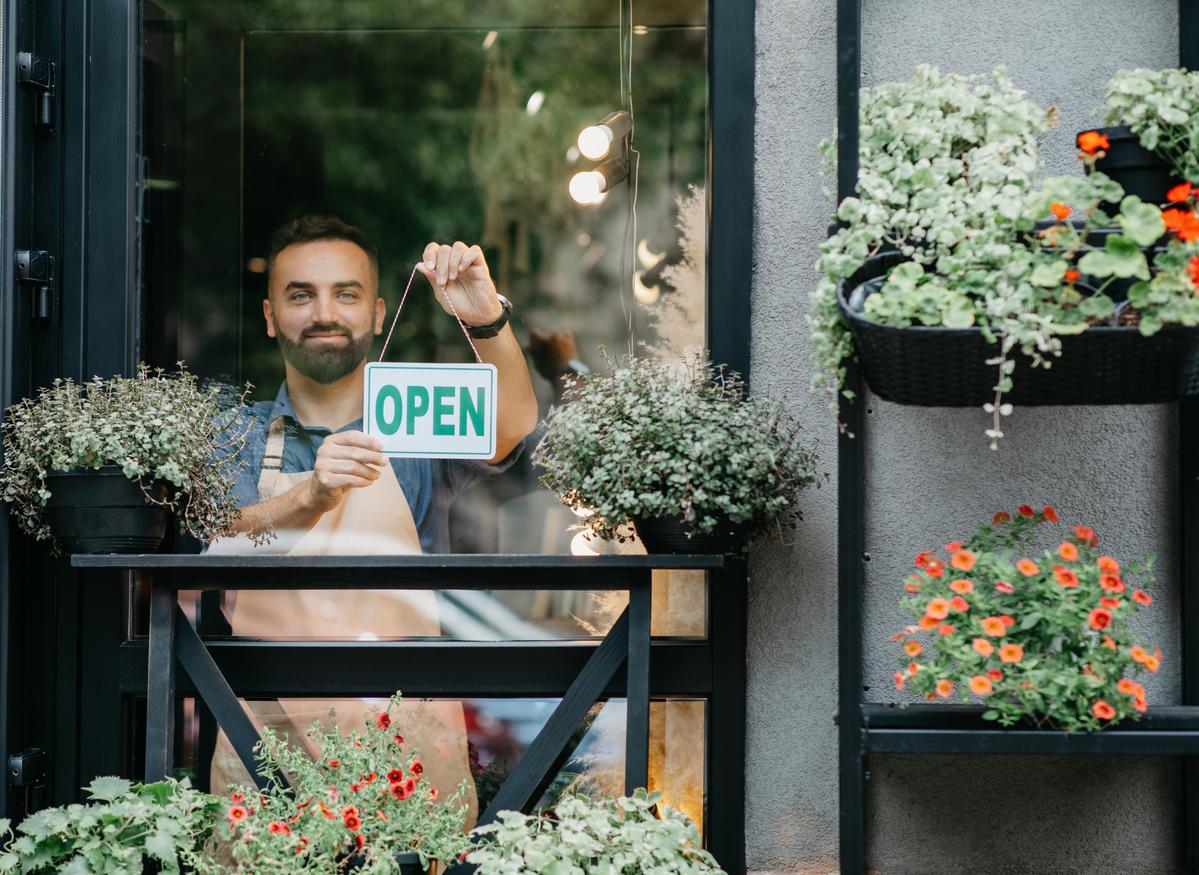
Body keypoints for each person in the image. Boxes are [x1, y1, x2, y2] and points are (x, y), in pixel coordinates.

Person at [206, 215, 538, 822]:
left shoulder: (416, 419)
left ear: (380, 313)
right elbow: (215, 542)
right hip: (264, 738)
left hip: (405, 734)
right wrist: (310, 495)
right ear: (270, 315)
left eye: (346, 293)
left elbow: (509, 428)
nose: (324, 312)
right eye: (301, 295)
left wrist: (485, 321)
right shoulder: (235, 433)